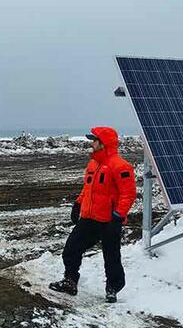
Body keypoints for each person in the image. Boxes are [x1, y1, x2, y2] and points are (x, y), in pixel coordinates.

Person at [49, 126, 136, 303]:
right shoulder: (93, 164)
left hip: (110, 220)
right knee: (71, 248)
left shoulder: (120, 166)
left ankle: (113, 287)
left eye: (94, 140)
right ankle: (70, 281)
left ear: (103, 143)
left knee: (111, 256)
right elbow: (88, 188)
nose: (91, 143)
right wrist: (78, 203)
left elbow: (129, 194)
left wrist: (118, 216)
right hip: (89, 218)